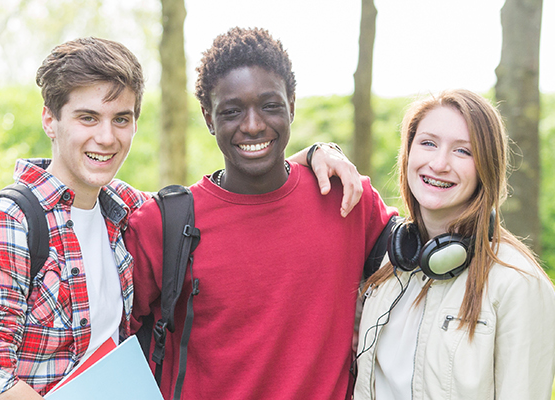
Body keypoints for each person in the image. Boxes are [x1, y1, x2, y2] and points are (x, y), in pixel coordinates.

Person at [0, 36, 367, 400]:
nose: (106, 137)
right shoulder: (12, 220)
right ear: (50, 120)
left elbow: (232, 194)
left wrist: (312, 155)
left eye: (121, 119)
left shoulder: (124, 207)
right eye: (87, 118)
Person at [125, 27, 396, 400]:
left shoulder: (346, 199)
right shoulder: (163, 225)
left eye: (269, 106)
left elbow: (428, 255)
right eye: (232, 111)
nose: (253, 125)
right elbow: (104, 341)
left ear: (292, 106)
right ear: (208, 117)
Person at [352, 89, 555, 399]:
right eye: (428, 143)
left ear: (485, 168)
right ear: (408, 153)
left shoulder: (519, 284)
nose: (438, 164)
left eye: (463, 151)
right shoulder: (389, 264)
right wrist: (316, 152)